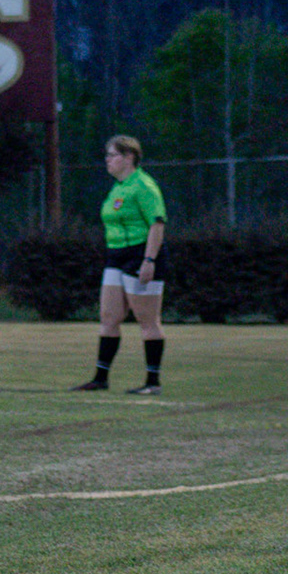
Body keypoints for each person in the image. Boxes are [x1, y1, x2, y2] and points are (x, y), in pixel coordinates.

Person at [73, 134, 170, 395]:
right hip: (115, 255)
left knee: (147, 320)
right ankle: (100, 379)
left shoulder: (144, 186)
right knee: (109, 316)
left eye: (112, 155)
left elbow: (157, 224)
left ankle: (152, 382)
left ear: (129, 157)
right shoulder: (118, 187)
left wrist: (149, 260)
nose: (107, 160)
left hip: (140, 254)